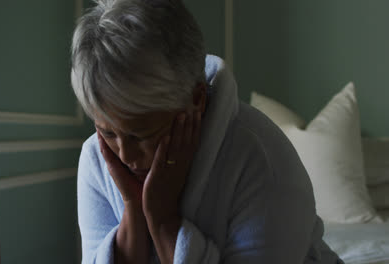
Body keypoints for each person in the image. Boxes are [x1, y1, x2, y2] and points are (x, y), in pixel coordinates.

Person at [70, 0, 344, 263]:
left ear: (196, 99)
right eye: (107, 133)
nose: (125, 156)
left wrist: (163, 218)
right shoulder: (96, 157)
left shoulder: (261, 160)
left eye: (140, 135)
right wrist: (134, 207)